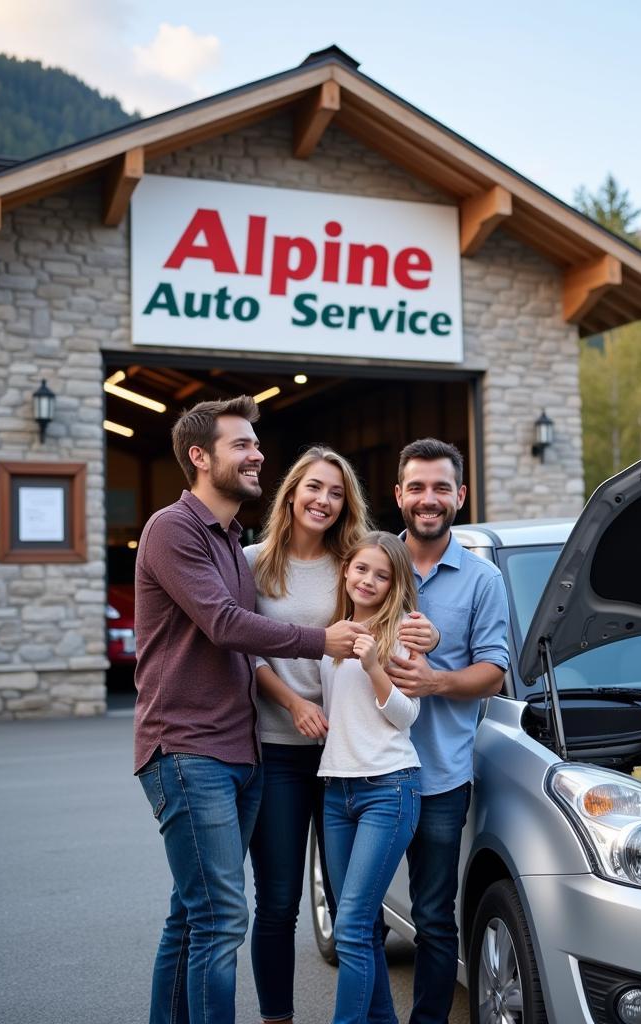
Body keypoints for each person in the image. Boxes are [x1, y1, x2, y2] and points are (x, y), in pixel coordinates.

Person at [132, 397, 365, 1024]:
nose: (257, 453)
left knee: (191, 912)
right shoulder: (172, 529)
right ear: (200, 457)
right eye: (242, 444)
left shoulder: (232, 541)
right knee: (221, 917)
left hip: (240, 750)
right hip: (187, 747)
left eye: (256, 443)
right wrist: (321, 641)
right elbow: (225, 625)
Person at [242, 446, 371, 1024]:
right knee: (276, 902)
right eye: (314, 488)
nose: (323, 500)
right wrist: (294, 703)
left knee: (352, 906)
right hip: (278, 752)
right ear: (291, 492)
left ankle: (362, 1015)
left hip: (347, 756)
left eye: (336, 492)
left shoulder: (353, 564)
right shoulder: (251, 563)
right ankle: (278, 1019)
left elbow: (391, 615)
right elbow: (242, 650)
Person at [385, 439, 511, 1024]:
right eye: (416, 487)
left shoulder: (482, 580)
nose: (427, 499)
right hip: (367, 773)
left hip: (440, 776)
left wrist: (434, 682)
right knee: (356, 911)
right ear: (399, 495)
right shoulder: (371, 569)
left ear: (460, 495)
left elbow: (494, 671)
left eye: (440, 487)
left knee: (434, 915)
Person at [320, 531, 423, 1024]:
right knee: (354, 925)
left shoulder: (402, 632)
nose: (369, 580)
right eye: (361, 569)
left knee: (355, 926)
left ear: (394, 585)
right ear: (346, 571)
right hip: (336, 789)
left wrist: (375, 665)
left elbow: (407, 716)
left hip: (389, 787)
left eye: (381, 575)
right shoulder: (332, 634)